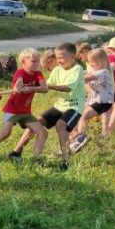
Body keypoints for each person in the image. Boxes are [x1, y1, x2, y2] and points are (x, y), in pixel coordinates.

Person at [0, 47, 48, 160]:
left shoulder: (38, 73)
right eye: (33, 61)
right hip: (12, 110)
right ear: (24, 61)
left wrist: (31, 88)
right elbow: (18, 84)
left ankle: (35, 159)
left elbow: (44, 88)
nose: (37, 63)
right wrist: (19, 86)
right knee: (6, 132)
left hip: (26, 112)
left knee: (42, 132)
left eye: (38, 61)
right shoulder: (20, 72)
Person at [35, 42, 85, 170]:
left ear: (73, 56)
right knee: (37, 121)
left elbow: (68, 88)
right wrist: (31, 86)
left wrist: (49, 86)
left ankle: (65, 160)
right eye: (57, 58)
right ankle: (23, 154)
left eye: (62, 57)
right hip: (59, 106)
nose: (59, 60)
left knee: (61, 126)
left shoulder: (77, 69)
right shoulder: (57, 70)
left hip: (74, 106)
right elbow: (46, 85)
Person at [69, 48, 115, 153]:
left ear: (102, 60)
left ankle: (80, 140)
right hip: (94, 101)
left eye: (94, 61)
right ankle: (75, 138)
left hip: (103, 101)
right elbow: (85, 77)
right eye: (90, 61)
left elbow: (87, 78)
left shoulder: (104, 72)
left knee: (82, 116)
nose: (91, 63)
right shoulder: (94, 70)